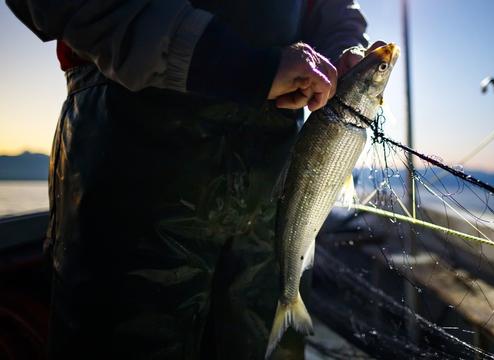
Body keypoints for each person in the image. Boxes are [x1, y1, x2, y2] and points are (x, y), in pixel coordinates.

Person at [6, 0, 369, 358]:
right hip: (131, 149)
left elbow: (332, 9)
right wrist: (237, 65)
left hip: (271, 170)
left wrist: (345, 48)